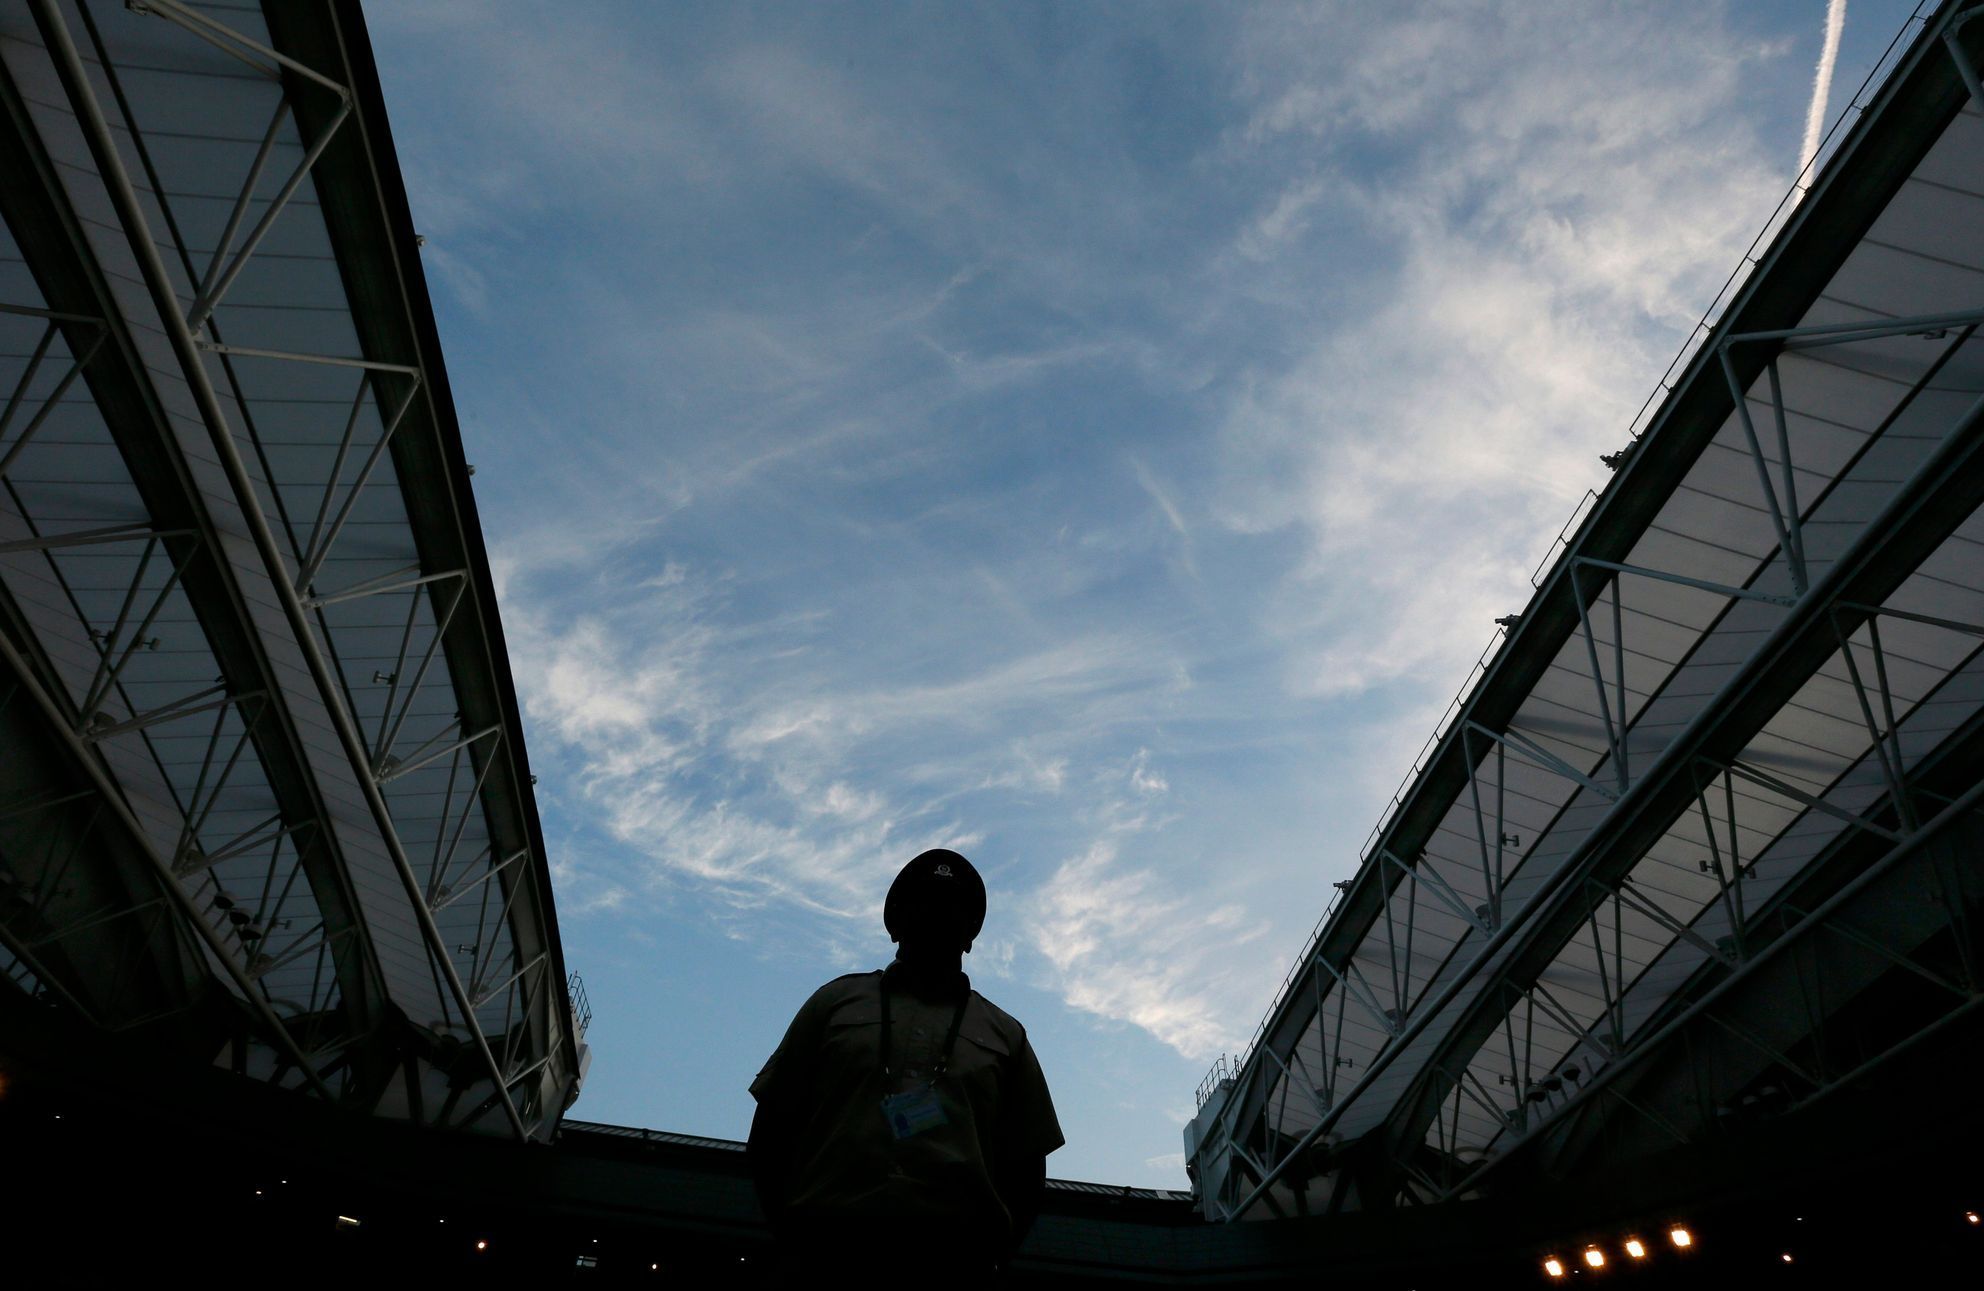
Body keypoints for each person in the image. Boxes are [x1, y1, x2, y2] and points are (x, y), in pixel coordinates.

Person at [748, 848, 1064, 1279]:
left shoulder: (1007, 1035)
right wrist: (792, 1235)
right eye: (924, 900)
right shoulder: (833, 1003)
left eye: (954, 904)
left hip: (954, 1263)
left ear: (972, 930)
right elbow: (771, 1129)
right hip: (824, 1251)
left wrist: (992, 1257)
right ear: (894, 921)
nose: (938, 912)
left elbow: (1028, 1169)